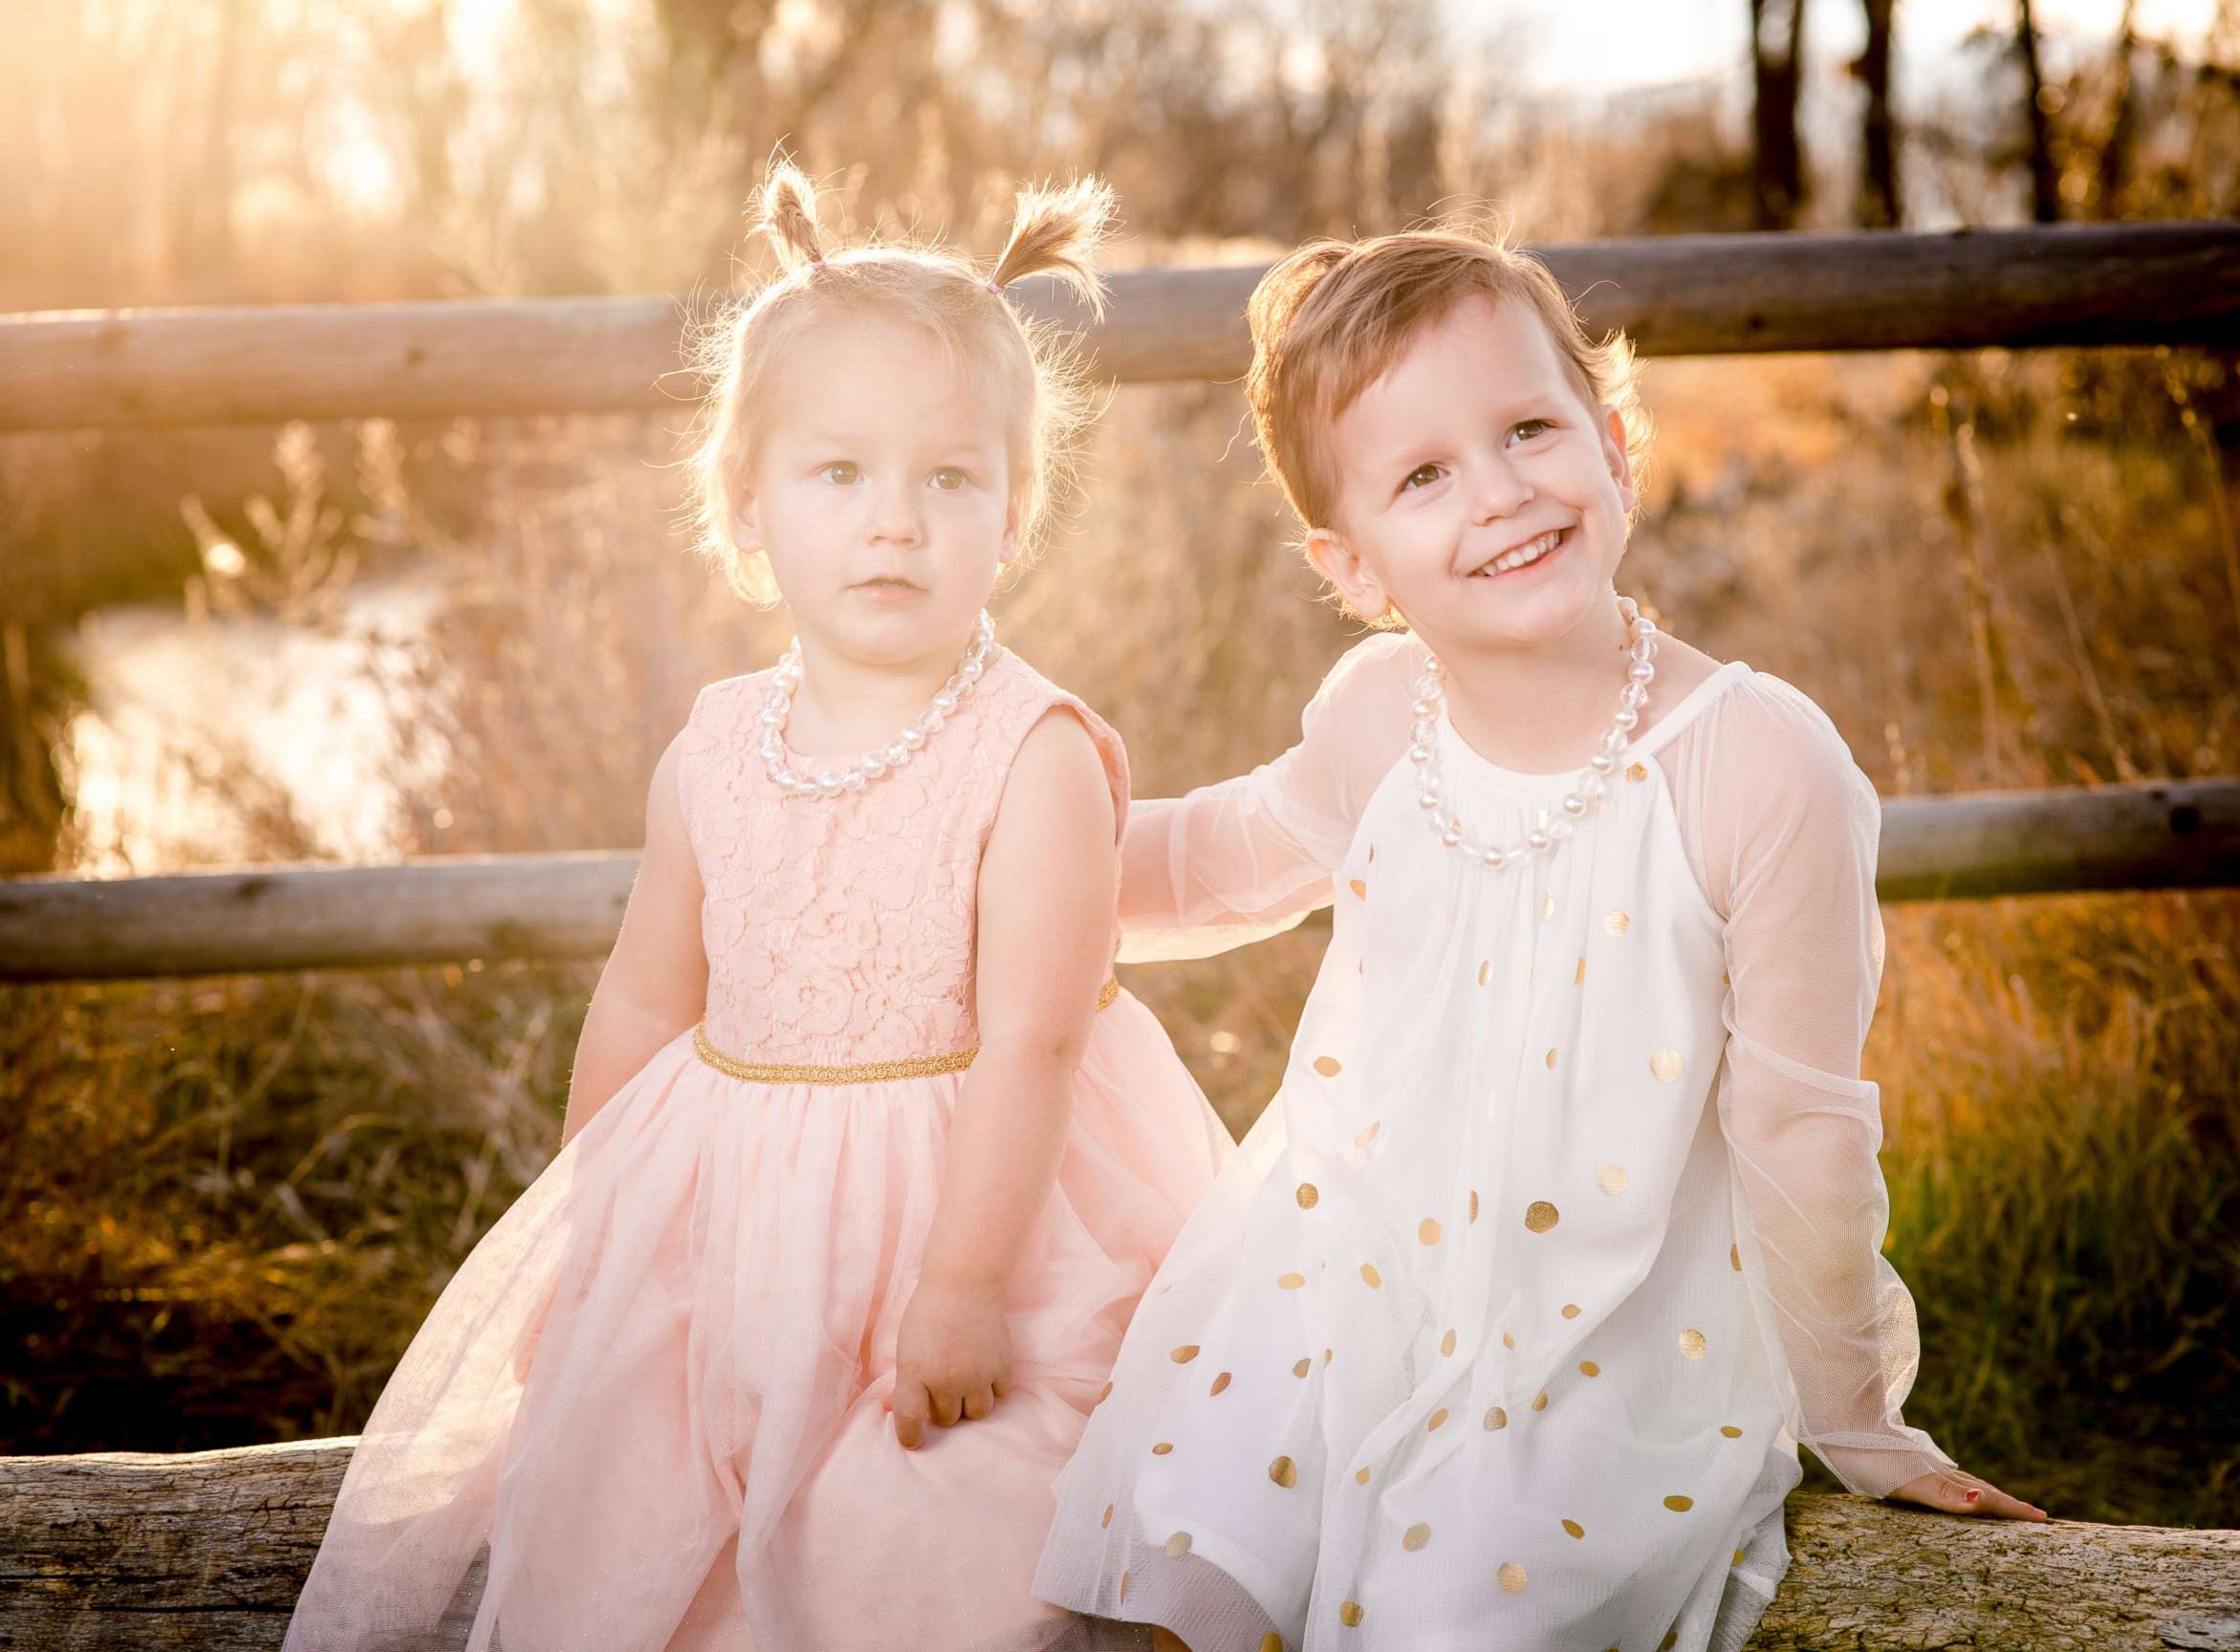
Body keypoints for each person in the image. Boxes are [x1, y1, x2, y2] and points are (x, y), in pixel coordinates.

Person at [1034, 224, 2046, 1652]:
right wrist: (1000, 859)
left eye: (1528, 429)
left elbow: (1801, 1129)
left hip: (1604, 1335)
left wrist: (1860, 1420)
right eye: (1424, 476)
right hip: (1337, 1273)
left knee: (1456, 1603)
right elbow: (1221, 862)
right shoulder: (1382, 714)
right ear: (1356, 562)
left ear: (1618, 443)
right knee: (1192, 1555)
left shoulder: (1758, 767)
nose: (1501, 495)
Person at [283, 161, 1227, 1652]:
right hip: (738, 1229)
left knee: (932, 1522)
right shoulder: (715, 748)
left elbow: (1036, 1047)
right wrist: (585, 1241)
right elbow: (651, 998)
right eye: (838, 474)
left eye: (949, 481)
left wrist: (966, 1287)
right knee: (634, 1509)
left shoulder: (1033, 758)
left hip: (976, 1218)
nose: (895, 525)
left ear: (1014, 508)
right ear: (746, 503)